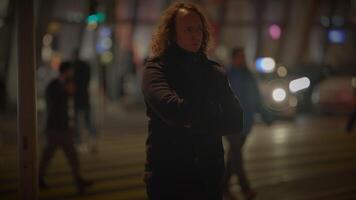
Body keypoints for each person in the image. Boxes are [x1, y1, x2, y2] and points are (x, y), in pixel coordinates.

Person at [141, 2, 244, 200]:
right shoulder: (156, 70)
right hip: (169, 178)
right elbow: (175, 112)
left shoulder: (214, 71)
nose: (195, 34)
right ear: (171, 33)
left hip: (209, 176)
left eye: (199, 29)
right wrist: (212, 116)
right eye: (188, 29)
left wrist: (192, 121)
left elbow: (236, 119)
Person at [224, 47, 273, 199]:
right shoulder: (226, 76)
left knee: (233, 157)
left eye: (243, 56)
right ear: (233, 59)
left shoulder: (248, 76)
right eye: (238, 56)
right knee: (237, 157)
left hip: (246, 123)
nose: (241, 59)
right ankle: (246, 189)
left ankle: (222, 185)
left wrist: (266, 116)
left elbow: (257, 99)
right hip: (230, 123)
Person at [39, 62, 93, 194]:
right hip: (54, 129)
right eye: (70, 71)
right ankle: (37, 178)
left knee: (73, 157)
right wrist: (65, 90)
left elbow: (70, 106)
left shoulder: (69, 85)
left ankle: (79, 182)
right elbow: (53, 105)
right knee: (47, 156)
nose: (72, 74)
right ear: (65, 71)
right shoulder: (53, 86)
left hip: (65, 129)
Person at [71, 50, 97, 153]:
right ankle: (93, 138)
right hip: (84, 98)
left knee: (78, 122)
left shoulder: (74, 68)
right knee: (88, 121)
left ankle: (79, 142)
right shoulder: (85, 67)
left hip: (77, 98)